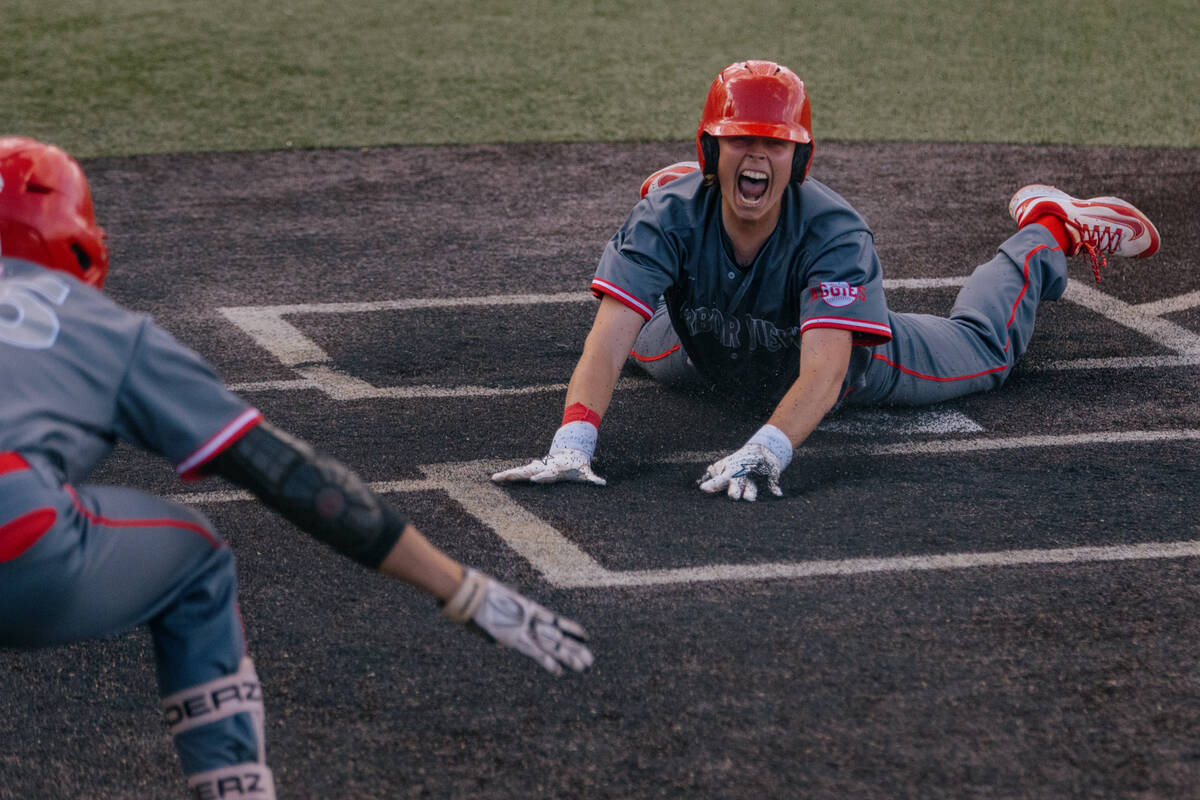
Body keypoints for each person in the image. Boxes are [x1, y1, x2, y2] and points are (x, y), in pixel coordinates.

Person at [0, 136, 592, 800]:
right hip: (14, 538)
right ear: (72, 237)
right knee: (195, 562)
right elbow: (289, 478)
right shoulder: (106, 330)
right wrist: (462, 589)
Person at [492, 59, 1160, 502]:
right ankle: (685, 207)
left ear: (798, 157)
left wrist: (768, 449)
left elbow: (824, 375)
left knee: (985, 348)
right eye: (739, 142)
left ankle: (1046, 231)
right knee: (634, 338)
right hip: (710, 345)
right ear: (709, 150)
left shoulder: (833, 231)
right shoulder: (666, 218)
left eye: (773, 144)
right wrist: (572, 443)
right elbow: (609, 336)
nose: (758, 154)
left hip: (856, 369)